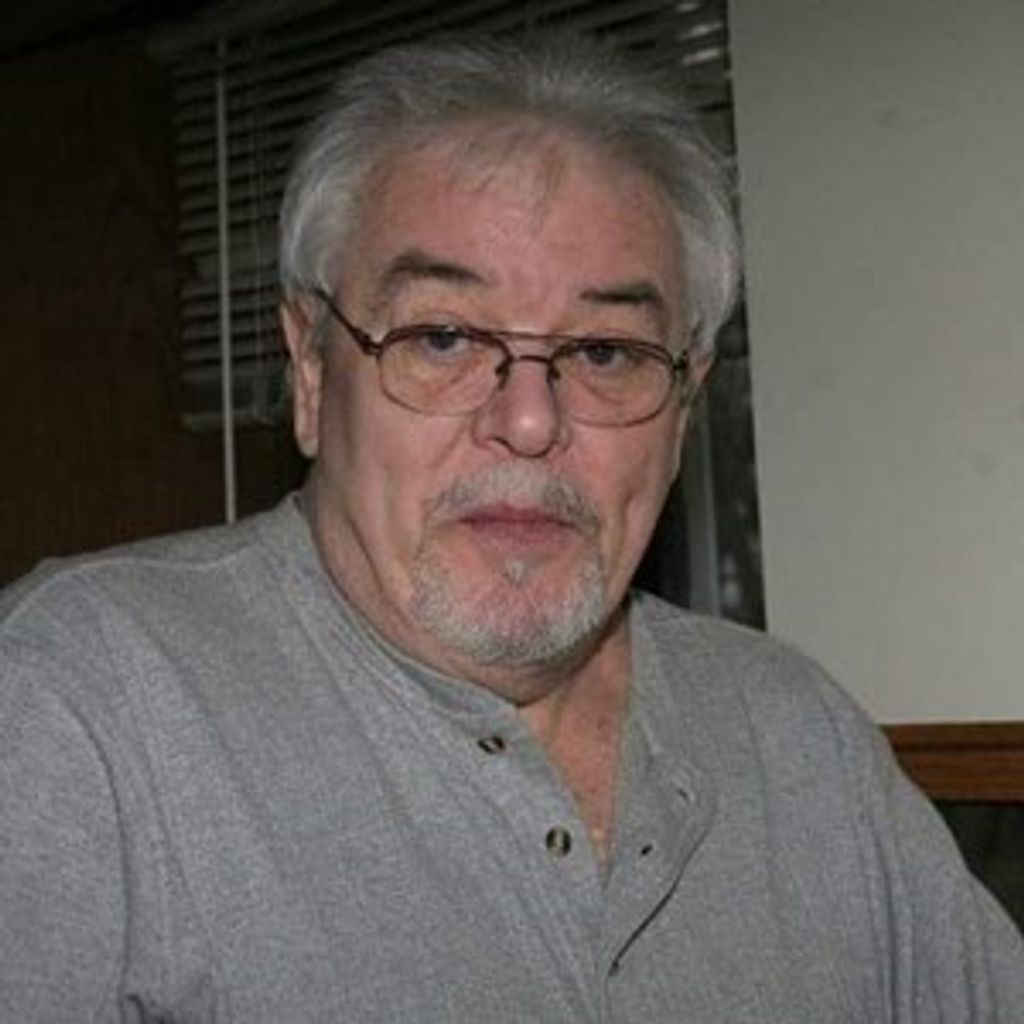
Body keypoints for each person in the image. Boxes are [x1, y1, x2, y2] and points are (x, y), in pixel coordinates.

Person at [1, 32, 1021, 1023]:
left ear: (684, 407)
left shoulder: (795, 730)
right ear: (311, 370)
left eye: (608, 352)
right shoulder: (78, 702)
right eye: (443, 336)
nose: (530, 421)